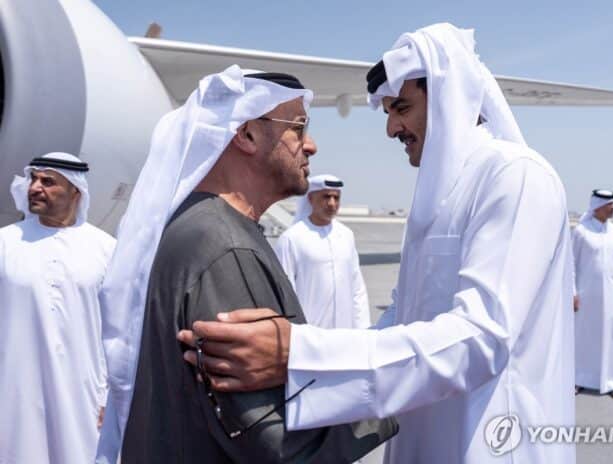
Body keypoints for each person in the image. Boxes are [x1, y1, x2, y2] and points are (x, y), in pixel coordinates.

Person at [179, 24, 576, 463]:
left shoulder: (515, 177)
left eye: (401, 108)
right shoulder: (440, 195)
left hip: (491, 438)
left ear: (450, 97)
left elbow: (482, 338)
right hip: (423, 432)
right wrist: (289, 358)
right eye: (388, 112)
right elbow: (404, 317)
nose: (391, 128)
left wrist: (300, 354)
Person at [96, 67, 396, 464]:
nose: (311, 146)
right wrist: (394, 393)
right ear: (247, 134)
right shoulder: (224, 247)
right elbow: (281, 442)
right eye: (298, 129)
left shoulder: (204, 227)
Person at [0, 152, 115, 464]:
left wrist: (110, 395)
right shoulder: (5, 243)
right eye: (34, 179)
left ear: (75, 191)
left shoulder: (106, 249)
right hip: (14, 388)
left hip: (83, 391)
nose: (35, 187)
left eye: (48, 182)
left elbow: (119, 330)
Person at [274, 174, 371, 329]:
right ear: (310, 199)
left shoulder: (346, 235)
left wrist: (363, 329)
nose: (332, 203)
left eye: (336, 198)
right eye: (326, 197)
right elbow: (284, 294)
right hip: (310, 334)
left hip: (346, 334)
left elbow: (357, 288)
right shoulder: (291, 239)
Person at [573, 189, 613, 400]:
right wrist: (572, 292)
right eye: (610, 205)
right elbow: (571, 264)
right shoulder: (581, 231)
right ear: (597, 207)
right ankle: (578, 379)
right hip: (587, 295)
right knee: (585, 337)